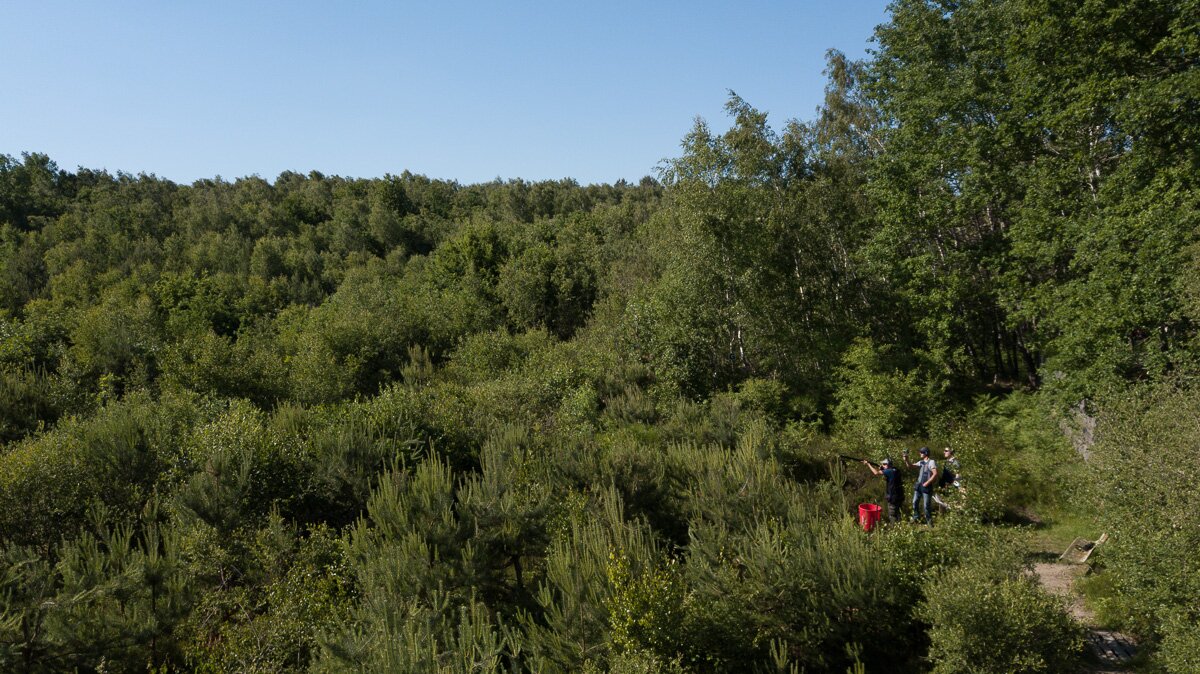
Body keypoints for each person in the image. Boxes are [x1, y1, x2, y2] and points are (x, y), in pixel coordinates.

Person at [904, 446, 938, 524]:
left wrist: (927, 482)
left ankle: (929, 522)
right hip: (919, 486)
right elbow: (910, 466)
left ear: (926, 453)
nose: (920, 453)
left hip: (927, 487)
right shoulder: (921, 462)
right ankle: (916, 517)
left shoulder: (931, 462)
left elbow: (935, 474)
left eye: (921, 452)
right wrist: (906, 460)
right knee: (914, 502)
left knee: (926, 506)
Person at [863, 457, 903, 522]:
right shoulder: (896, 470)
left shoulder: (888, 471)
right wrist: (883, 468)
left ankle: (894, 526)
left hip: (893, 497)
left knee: (892, 515)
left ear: (888, 465)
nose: (882, 465)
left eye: (884, 464)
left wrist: (868, 464)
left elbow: (876, 472)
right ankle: (901, 525)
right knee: (898, 513)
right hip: (900, 495)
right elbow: (890, 474)